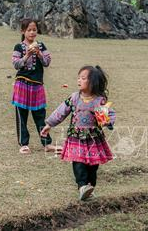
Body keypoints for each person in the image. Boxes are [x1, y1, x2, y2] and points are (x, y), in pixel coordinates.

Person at [41, 65, 115, 200]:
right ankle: (82, 186)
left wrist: (107, 121)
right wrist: (49, 124)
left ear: (92, 82)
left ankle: (90, 188)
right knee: (78, 162)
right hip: (76, 137)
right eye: (78, 78)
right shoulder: (74, 97)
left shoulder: (99, 100)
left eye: (83, 78)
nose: (79, 80)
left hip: (93, 138)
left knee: (93, 166)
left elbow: (107, 115)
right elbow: (61, 111)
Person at [11, 18, 58, 154]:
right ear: (23, 31)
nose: (32, 32)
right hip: (22, 85)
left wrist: (39, 53)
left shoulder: (41, 46)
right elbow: (16, 64)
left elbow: (47, 62)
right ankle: (24, 144)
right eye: (29, 30)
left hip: (37, 85)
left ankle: (46, 143)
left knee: (40, 115)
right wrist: (26, 56)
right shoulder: (18, 47)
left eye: (34, 30)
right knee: (22, 115)